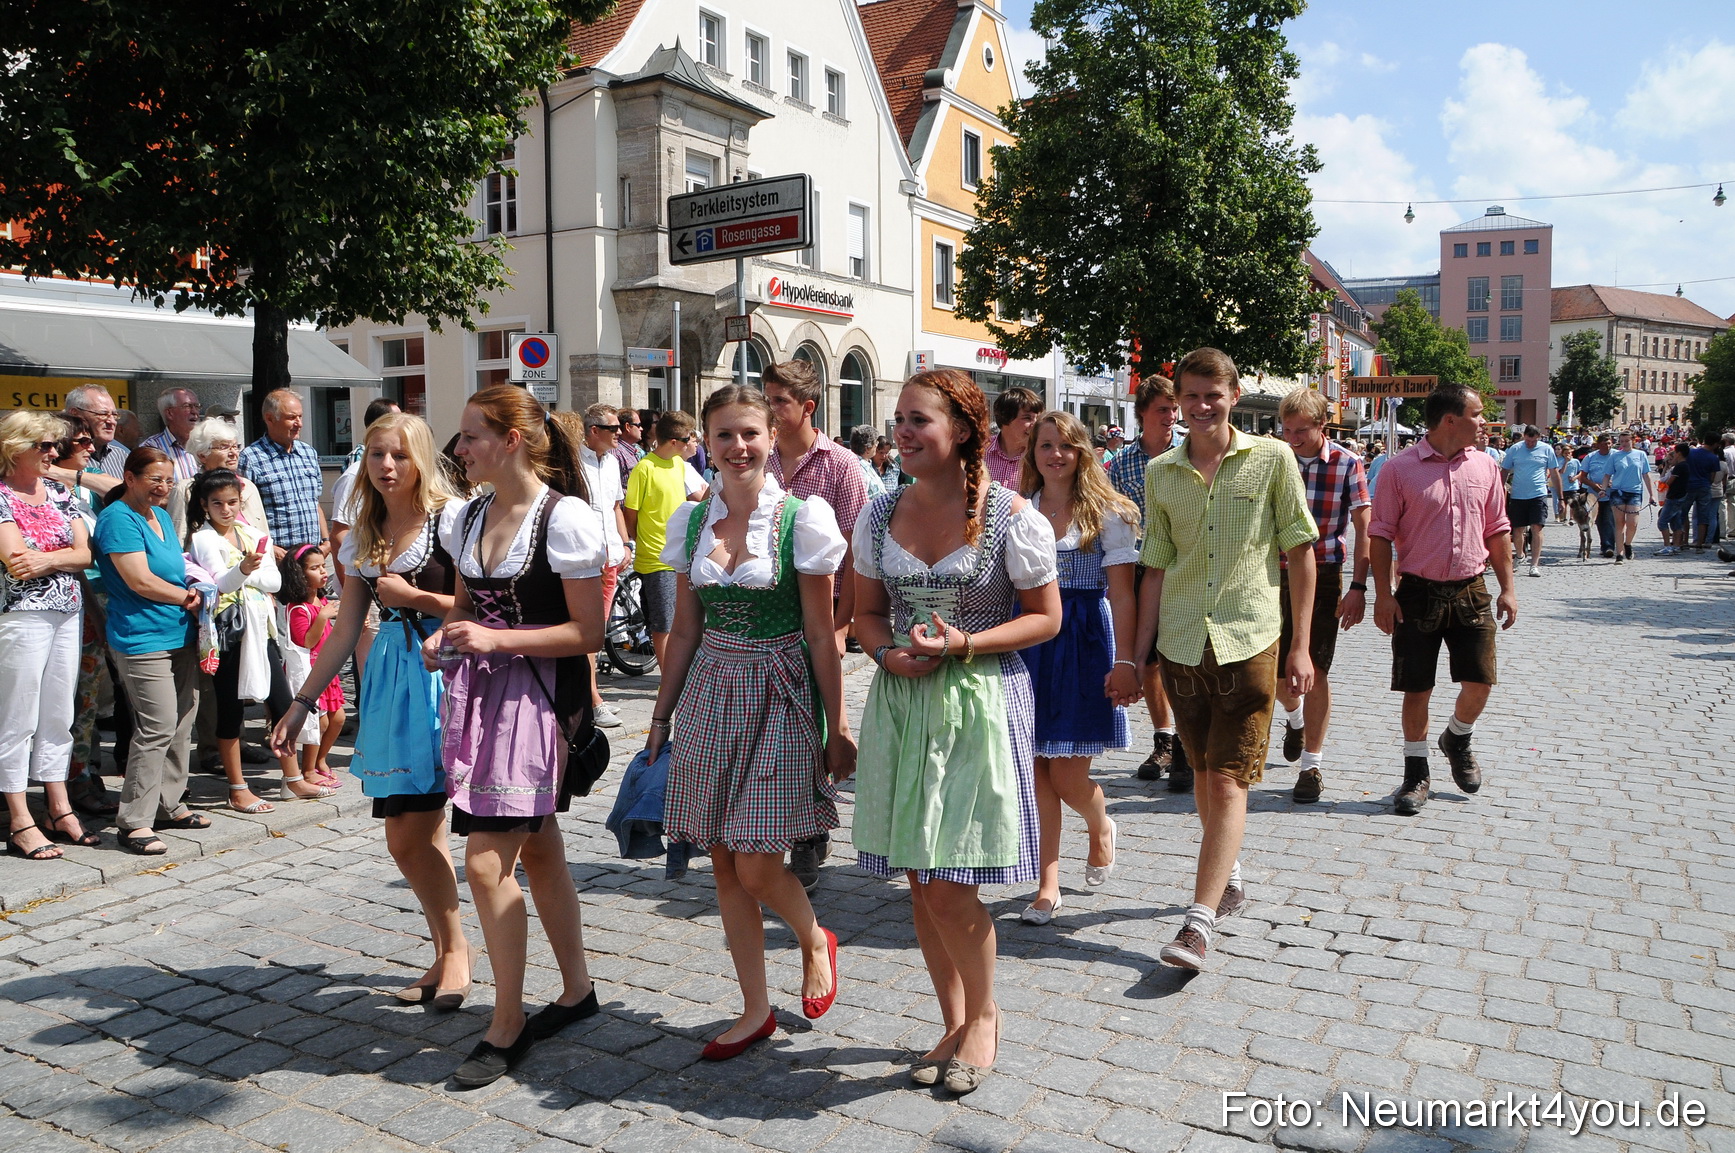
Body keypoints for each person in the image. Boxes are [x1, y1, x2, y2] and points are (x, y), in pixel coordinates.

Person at [852, 369, 1062, 1095]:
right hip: (904, 699)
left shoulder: (1010, 514)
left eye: (919, 420)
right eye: (899, 419)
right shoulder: (878, 514)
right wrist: (886, 653)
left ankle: (984, 1016)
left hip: (977, 695)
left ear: (963, 430)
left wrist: (964, 644)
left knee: (950, 882)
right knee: (919, 877)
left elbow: (1045, 617)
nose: (903, 432)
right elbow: (865, 615)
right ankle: (950, 1019)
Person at [647, 385, 854, 1060]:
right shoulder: (691, 521)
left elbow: (823, 636)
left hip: (779, 689)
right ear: (705, 442)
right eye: (725, 435)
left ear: (771, 438)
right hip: (711, 691)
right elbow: (683, 631)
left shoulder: (802, 518)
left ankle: (813, 934)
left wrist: (836, 725)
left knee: (760, 864)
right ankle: (753, 1007)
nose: (738, 447)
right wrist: (659, 714)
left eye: (750, 434)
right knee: (723, 863)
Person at [425, 386, 607, 1089]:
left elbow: (586, 634)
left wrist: (496, 638)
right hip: (482, 699)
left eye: (471, 436)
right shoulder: (467, 517)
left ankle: (507, 1020)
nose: (459, 448)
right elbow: (467, 605)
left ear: (510, 441)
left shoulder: (565, 520)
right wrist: (449, 638)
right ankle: (576, 989)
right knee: (540, 848)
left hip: (539, 703)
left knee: (483, 863)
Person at [272, 412, 472, 1014]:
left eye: (399, 455)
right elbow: (346, 626)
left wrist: (417, 599)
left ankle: (457, 952)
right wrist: (303, 699)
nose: (386, 466)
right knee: (414, 829)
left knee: (411, 831)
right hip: (393, 680)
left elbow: (481, 605)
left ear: (422, 459)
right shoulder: (364, 532)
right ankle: (445, 953)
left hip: (452, 673)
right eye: (375, 454)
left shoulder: (455, 521)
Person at [1131, 349, 1318, 972]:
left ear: (1235, 394)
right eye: (1191, 396)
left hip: (1250, 638)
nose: (1202, 406)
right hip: (1182, 642)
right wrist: (1138, 655)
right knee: (1206, 769)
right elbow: (1154, 566)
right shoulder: (1160, 473)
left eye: (1213, 394)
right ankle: (1230, 870)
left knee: (1226, 779)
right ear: (1177, 402)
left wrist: (1299, 644)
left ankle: (1198, 923)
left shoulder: (1272, 459)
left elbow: (1300, 552)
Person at [1369, 383, 1517, 817]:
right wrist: (1382, 595)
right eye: (1477, 414)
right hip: (1417, 591)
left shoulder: (1486, 467)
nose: (1483, 422)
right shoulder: (1399, 469)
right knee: (1417, 688)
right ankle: (1416, 772)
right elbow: (1379, 535)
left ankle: (1457, 737)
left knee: (1480, 681)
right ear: (1450, 420)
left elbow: (1498, 528)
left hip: (1471, 588)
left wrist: (1508, 588)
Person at [1017, 411, 1138, 925]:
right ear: (1033, 453)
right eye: (1046, 445)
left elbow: (1124, 592)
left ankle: (1099, 822)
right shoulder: (1019, 509)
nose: (1055, 454)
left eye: (1066, 445)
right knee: (1037, 768)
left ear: (1083, 452)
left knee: (1067, 773)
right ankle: (1047, 882)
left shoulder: (1107, 512)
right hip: (1031, 637)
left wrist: (1126, 658)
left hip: (1085, 636)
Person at [760, 361, 871, 891]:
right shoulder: (756, 457)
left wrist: (843, 623)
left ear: (808, 408)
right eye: (767, 398)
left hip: (821, 615)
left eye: (779, 401)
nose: (770, 410)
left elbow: (856, 556)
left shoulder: (842, 466)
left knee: (815, 726)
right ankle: (765, 823)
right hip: (765, 616)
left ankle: (808, 837)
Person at [185, 469, 322, 811]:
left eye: (232, 502)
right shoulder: (203, 539)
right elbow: (222, 584)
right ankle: (237, 786)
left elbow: (274, 582)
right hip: (230, 631)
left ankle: (291, 779)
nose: (226, 510)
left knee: (283, 701)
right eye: (218, 504)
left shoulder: (251, 531)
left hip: (262, 628)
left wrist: (247, 573)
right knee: (230, 709)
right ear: (205, 505)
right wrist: (246, 571)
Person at [94, 447, 208, 855]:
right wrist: (185, 598)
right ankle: (134, 821)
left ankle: (168, 803)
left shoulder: (158, 516)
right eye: (155, 479)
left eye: (168, 479)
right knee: (157, 725)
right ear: (130, 477)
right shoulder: (117, 520)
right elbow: (139, 580)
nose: (163, 487)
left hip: (179, 634)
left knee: (181, 721)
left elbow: (174, 564)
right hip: (141, 638)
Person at [0, 412, 97, 860]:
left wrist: (48, 560)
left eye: (54, 445)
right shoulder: (1, 495)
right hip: (20, 615)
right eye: (43, 445)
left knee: (59, 712)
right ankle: (20, 817)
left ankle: (58, 807)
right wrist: (59, 557)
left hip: (66, 610)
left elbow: (84, 554)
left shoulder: (59, 491)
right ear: (14, 446)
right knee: (18, 717)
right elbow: (15, 559)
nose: (53, 453)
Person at [1272, 388, 1370, 804]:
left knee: (1316, 670)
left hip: (1325, 571)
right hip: (1271, 573)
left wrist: (1359, 587)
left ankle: (1311, 765)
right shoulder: (1274, 461)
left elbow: (1366, 527)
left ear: (1322, 426)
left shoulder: (1347, 464)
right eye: (1287, 430)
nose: (1292, 438)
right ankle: (1293, 719)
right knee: (1274, 673)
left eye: (1301, 431)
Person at [1107, 375, 1190, 787]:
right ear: (1142, 414)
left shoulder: (1190, 452)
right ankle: (1165, 739)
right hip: (1143, 566)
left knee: (1185, 653)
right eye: (1163, 410)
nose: (1171, 417)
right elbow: (1113, 519)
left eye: (1174, 409)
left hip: (1187, 565)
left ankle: (1189, 745)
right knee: (1153, 661)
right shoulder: (1121, 463)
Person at [54, 415, 119, 818]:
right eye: (81, 442)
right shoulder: (29, 491)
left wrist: (75, 477)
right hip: (58, 601)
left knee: (87, 699)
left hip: (96, 596)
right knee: (60, 700)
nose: (91, 448)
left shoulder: (85, 481)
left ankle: (83, 773)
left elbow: (116, 489)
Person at [625, 410, 709, 672]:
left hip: (680, 554)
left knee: (682, 620)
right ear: (674, 441)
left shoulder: (678, 465)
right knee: (663, 623)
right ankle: (668, 677)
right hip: (656, 558)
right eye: (688, 439)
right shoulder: (645, 467)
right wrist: (639, 541)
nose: (690, 444)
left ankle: (678, 672)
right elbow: (632, 513)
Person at [565, 406, 631, 731]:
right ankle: (593, 700)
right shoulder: (575, 462)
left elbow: (616, 506)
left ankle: (589, 697)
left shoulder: (613, 461)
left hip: (610, 558)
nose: (621, 432)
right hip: (586, 559)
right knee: (591, 633)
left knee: (598, 631)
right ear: (594, 430)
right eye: (614, 427)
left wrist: (625, 543)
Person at [282, 547, 349, 786]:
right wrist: (322, 617)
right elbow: (307, 642)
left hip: (327, 672)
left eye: (323, 566)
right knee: (319, 723)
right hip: (310, 673)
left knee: (338, 719)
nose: (323, 572)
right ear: (299, 574)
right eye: (315, 568)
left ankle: (321, 760)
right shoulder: (298, 608)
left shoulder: (320, 601)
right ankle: (308, 769)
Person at [238, 388, 328, 560]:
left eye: (300, 417)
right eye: (291, 417)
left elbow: (314, 503)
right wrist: (270, 547)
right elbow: (244, 514)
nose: (299, 423)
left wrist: (327, 541)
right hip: (278, 558)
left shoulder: (308, 453)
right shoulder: (251, 458)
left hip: (312, 557)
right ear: (270, 418)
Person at [170, 419, 268, 541]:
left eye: (235, 446)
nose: (233, 453)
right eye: (224, 447)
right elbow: (177, 540)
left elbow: (264, 535)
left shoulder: (247, 486)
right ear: (202, 455)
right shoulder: (185, 490)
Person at [1500, 426, 1561, 578]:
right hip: (1518, 494)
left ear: (1539, 437)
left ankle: (1534, 564)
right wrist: (1499, 489)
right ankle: (1520, 555)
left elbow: (1554, 473)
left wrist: (1560, 497)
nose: (1530, 444)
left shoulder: (1546, 450)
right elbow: (1505, 470)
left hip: (1538, 494)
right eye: (1527, 440)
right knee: (1518, 529)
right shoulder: (1515, 449)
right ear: (1524, 437)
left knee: (1536, 527)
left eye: (1533, 441)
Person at [50, 385, 129, 495]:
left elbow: (130, 494)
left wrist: (66, 474)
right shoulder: (47, 457)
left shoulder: (122, 456)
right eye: (103, 414)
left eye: (114, 415)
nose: (112, 421)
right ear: (75, 413)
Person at [1595, 432, 1655, 564]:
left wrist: (1651, 494)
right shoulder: (1615, 456)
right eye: (1622, 441)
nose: (1624, 443)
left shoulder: (1640, 455)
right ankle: (1619, 554)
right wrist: (1603, 489)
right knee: (1619, 523)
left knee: (1632, 523)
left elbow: (1646, 475)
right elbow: (1607, 475)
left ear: (1633, 440)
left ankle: (1628, 544)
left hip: (1634, 492)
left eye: (1627, 440)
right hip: (1618, 492)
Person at [983, 386, 1042, 489]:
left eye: (1038, 418)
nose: (1035, 424)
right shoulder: (980, 452)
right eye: (1027, 418)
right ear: (1006, 418)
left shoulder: (1040, 456)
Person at [141, 389, 203, 481]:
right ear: (170, 413)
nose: (195, 412)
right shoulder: (151, 448)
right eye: (187, 406)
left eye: (197, 406)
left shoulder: (207, 444)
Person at [1577, 434, 1620, 558]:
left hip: (1613, 493)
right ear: (1598, 445)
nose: (1606, 446)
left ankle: (1609, 547)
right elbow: (1583, 477)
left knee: (1609, 519)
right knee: (1600, 521)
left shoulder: (1616, 455)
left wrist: (1615, 482)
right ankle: (1605, 545)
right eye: (1603, 444)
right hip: (1595, 494)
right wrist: (1594, 484)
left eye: (1608, 443)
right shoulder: (1590, 458)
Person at [1685, 432, 1725, 551]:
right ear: (1716, 444)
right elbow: (1712, 477)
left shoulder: (1690, 453)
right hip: (1704, 487)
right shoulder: (1713, 458)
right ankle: (1700, 544)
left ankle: (1683, 541)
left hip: (1689, 486)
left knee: (1684, 514)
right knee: (1703, 517)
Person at [1656, 445, 1691, 555]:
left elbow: (1668, 482)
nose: (1674, 455)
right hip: (1681, 496)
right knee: (1676, 523)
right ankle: (1676, 546)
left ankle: (1667, 546)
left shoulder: (1680, 466)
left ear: (1679, 453)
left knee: (1662, 522)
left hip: (1674, 497)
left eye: (1675, 453)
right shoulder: (1685, 465)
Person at [848, 424, 887, 498]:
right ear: (867, 448)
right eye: (875, 443)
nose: (877, 445)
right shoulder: (858, 470)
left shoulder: (866, 464)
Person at [612, 408, 646, 488]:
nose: (641, 429)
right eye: (638, 425)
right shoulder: (616, 452)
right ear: (627, 427)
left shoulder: (632, 450)